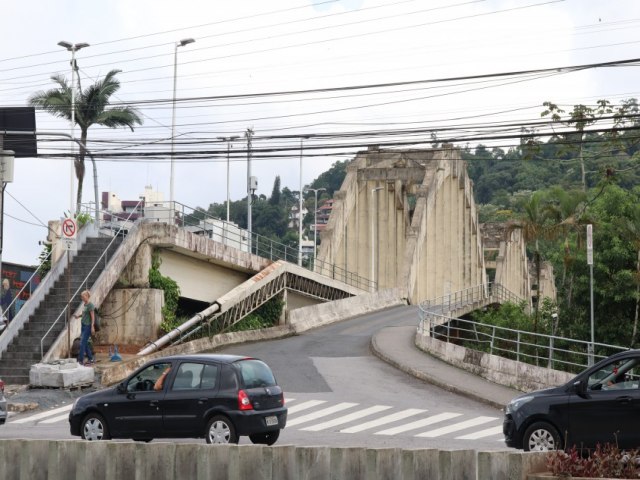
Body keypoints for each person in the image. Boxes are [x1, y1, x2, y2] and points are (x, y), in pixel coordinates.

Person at [73, 290, 95, 366]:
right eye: (81, 297)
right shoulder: (85, 304)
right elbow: (84, 314)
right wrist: (78, 316)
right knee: (84, 343)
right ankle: (91, 359)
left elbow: (92, 317)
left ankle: (80, 361)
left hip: (88, 326)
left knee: (82, 343)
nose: (82, 298)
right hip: (83, 325)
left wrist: (92, 326)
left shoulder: (90, 305)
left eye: (83, 296)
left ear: (87, 296)